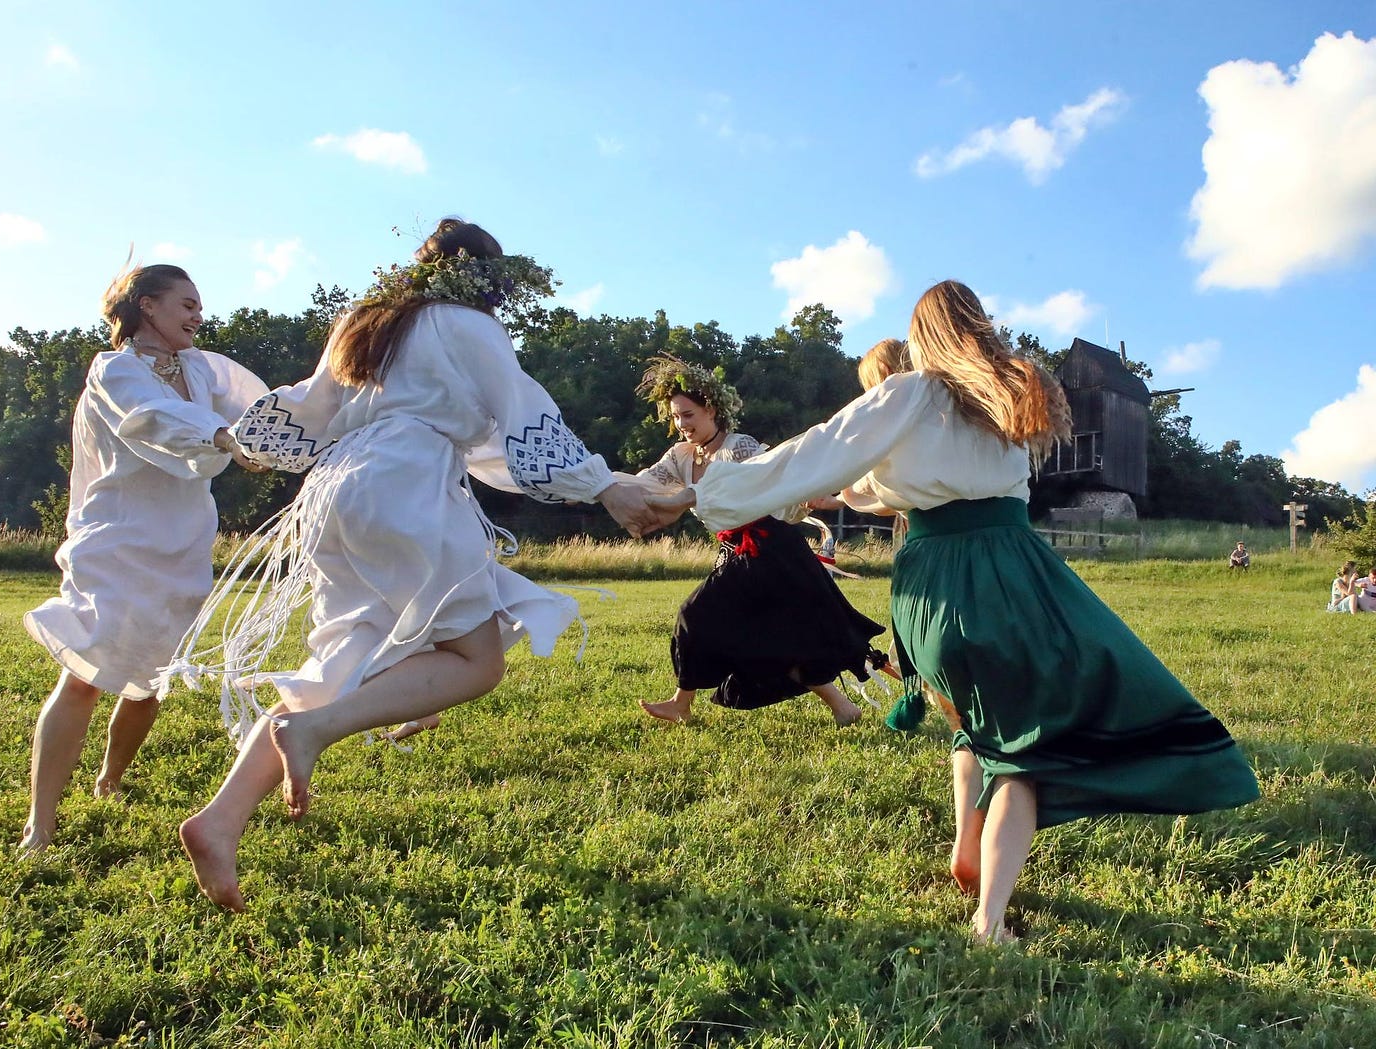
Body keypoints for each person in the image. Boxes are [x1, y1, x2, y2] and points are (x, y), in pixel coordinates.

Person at [644, 280, 1260, 945]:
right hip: (1014, 573)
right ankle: (989, 920)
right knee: (1022, 746)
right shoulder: (1013, 396)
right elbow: (994, 488)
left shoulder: (910, 394)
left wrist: (721, 491)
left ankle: (968, 839)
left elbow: (825, 449)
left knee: (973, 721)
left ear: (924, 336)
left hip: (933, 585)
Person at [164, 219, 658, 911]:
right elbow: (521, 418)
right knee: (477, 661)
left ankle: (218, 820)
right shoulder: (469, 326)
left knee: (339, 666)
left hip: (335, 493)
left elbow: (317, 413)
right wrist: (603, 485)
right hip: (406, 484)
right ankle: (313, 730)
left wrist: (243, 439)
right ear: (487, 280)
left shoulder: (364, 325)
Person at [19, 261, 268, 853]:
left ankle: (109, 781)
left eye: (199, 306)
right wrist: (223, 437)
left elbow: (261, 408)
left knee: (150, 680)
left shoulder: (204, 369)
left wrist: (268, 440)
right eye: (186, 303)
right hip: (115, 539)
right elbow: (150, 419)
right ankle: (40, 823)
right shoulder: (115, 369)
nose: (197, 315)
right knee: (83, 676)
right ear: (147, 306)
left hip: (182, 542)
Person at [626, 355, 885, 727]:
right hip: (736, 554)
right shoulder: (681, 457)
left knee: (694, 614)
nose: (681, 424)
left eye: (688, 415)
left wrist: (809, 495)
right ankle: (843, 708)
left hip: (772, 549)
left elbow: (779, 473)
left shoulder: (740, 447)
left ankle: (681, 703)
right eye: (676, 417)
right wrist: (600, 487)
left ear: (711, 410)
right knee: (777, 637)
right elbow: (645, 481)